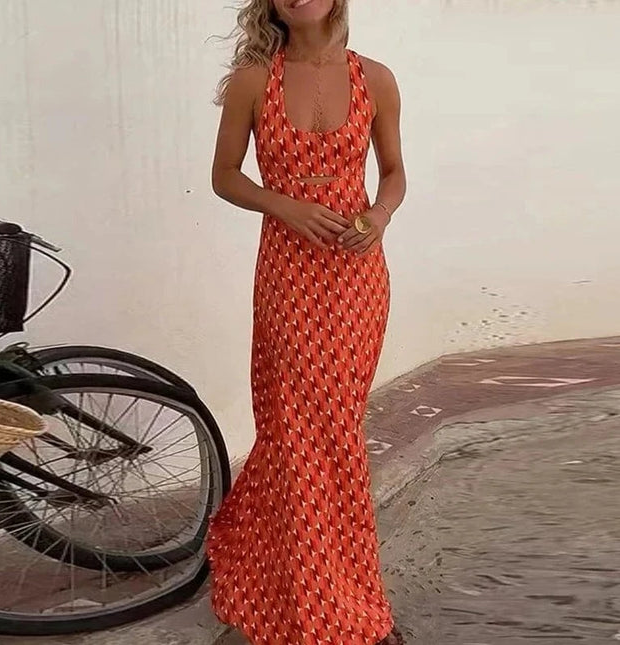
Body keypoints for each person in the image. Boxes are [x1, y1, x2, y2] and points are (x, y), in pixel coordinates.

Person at [206, 0, 407, 642]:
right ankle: (311, 600)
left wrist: (378, 217)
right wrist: (284, 206)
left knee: (335, 432)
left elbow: (394, 173)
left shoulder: (375, 78)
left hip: (356, 276)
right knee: (296, 431)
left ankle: (340, 596)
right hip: (288, 274)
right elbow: (225, 176)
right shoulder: (253, 80)